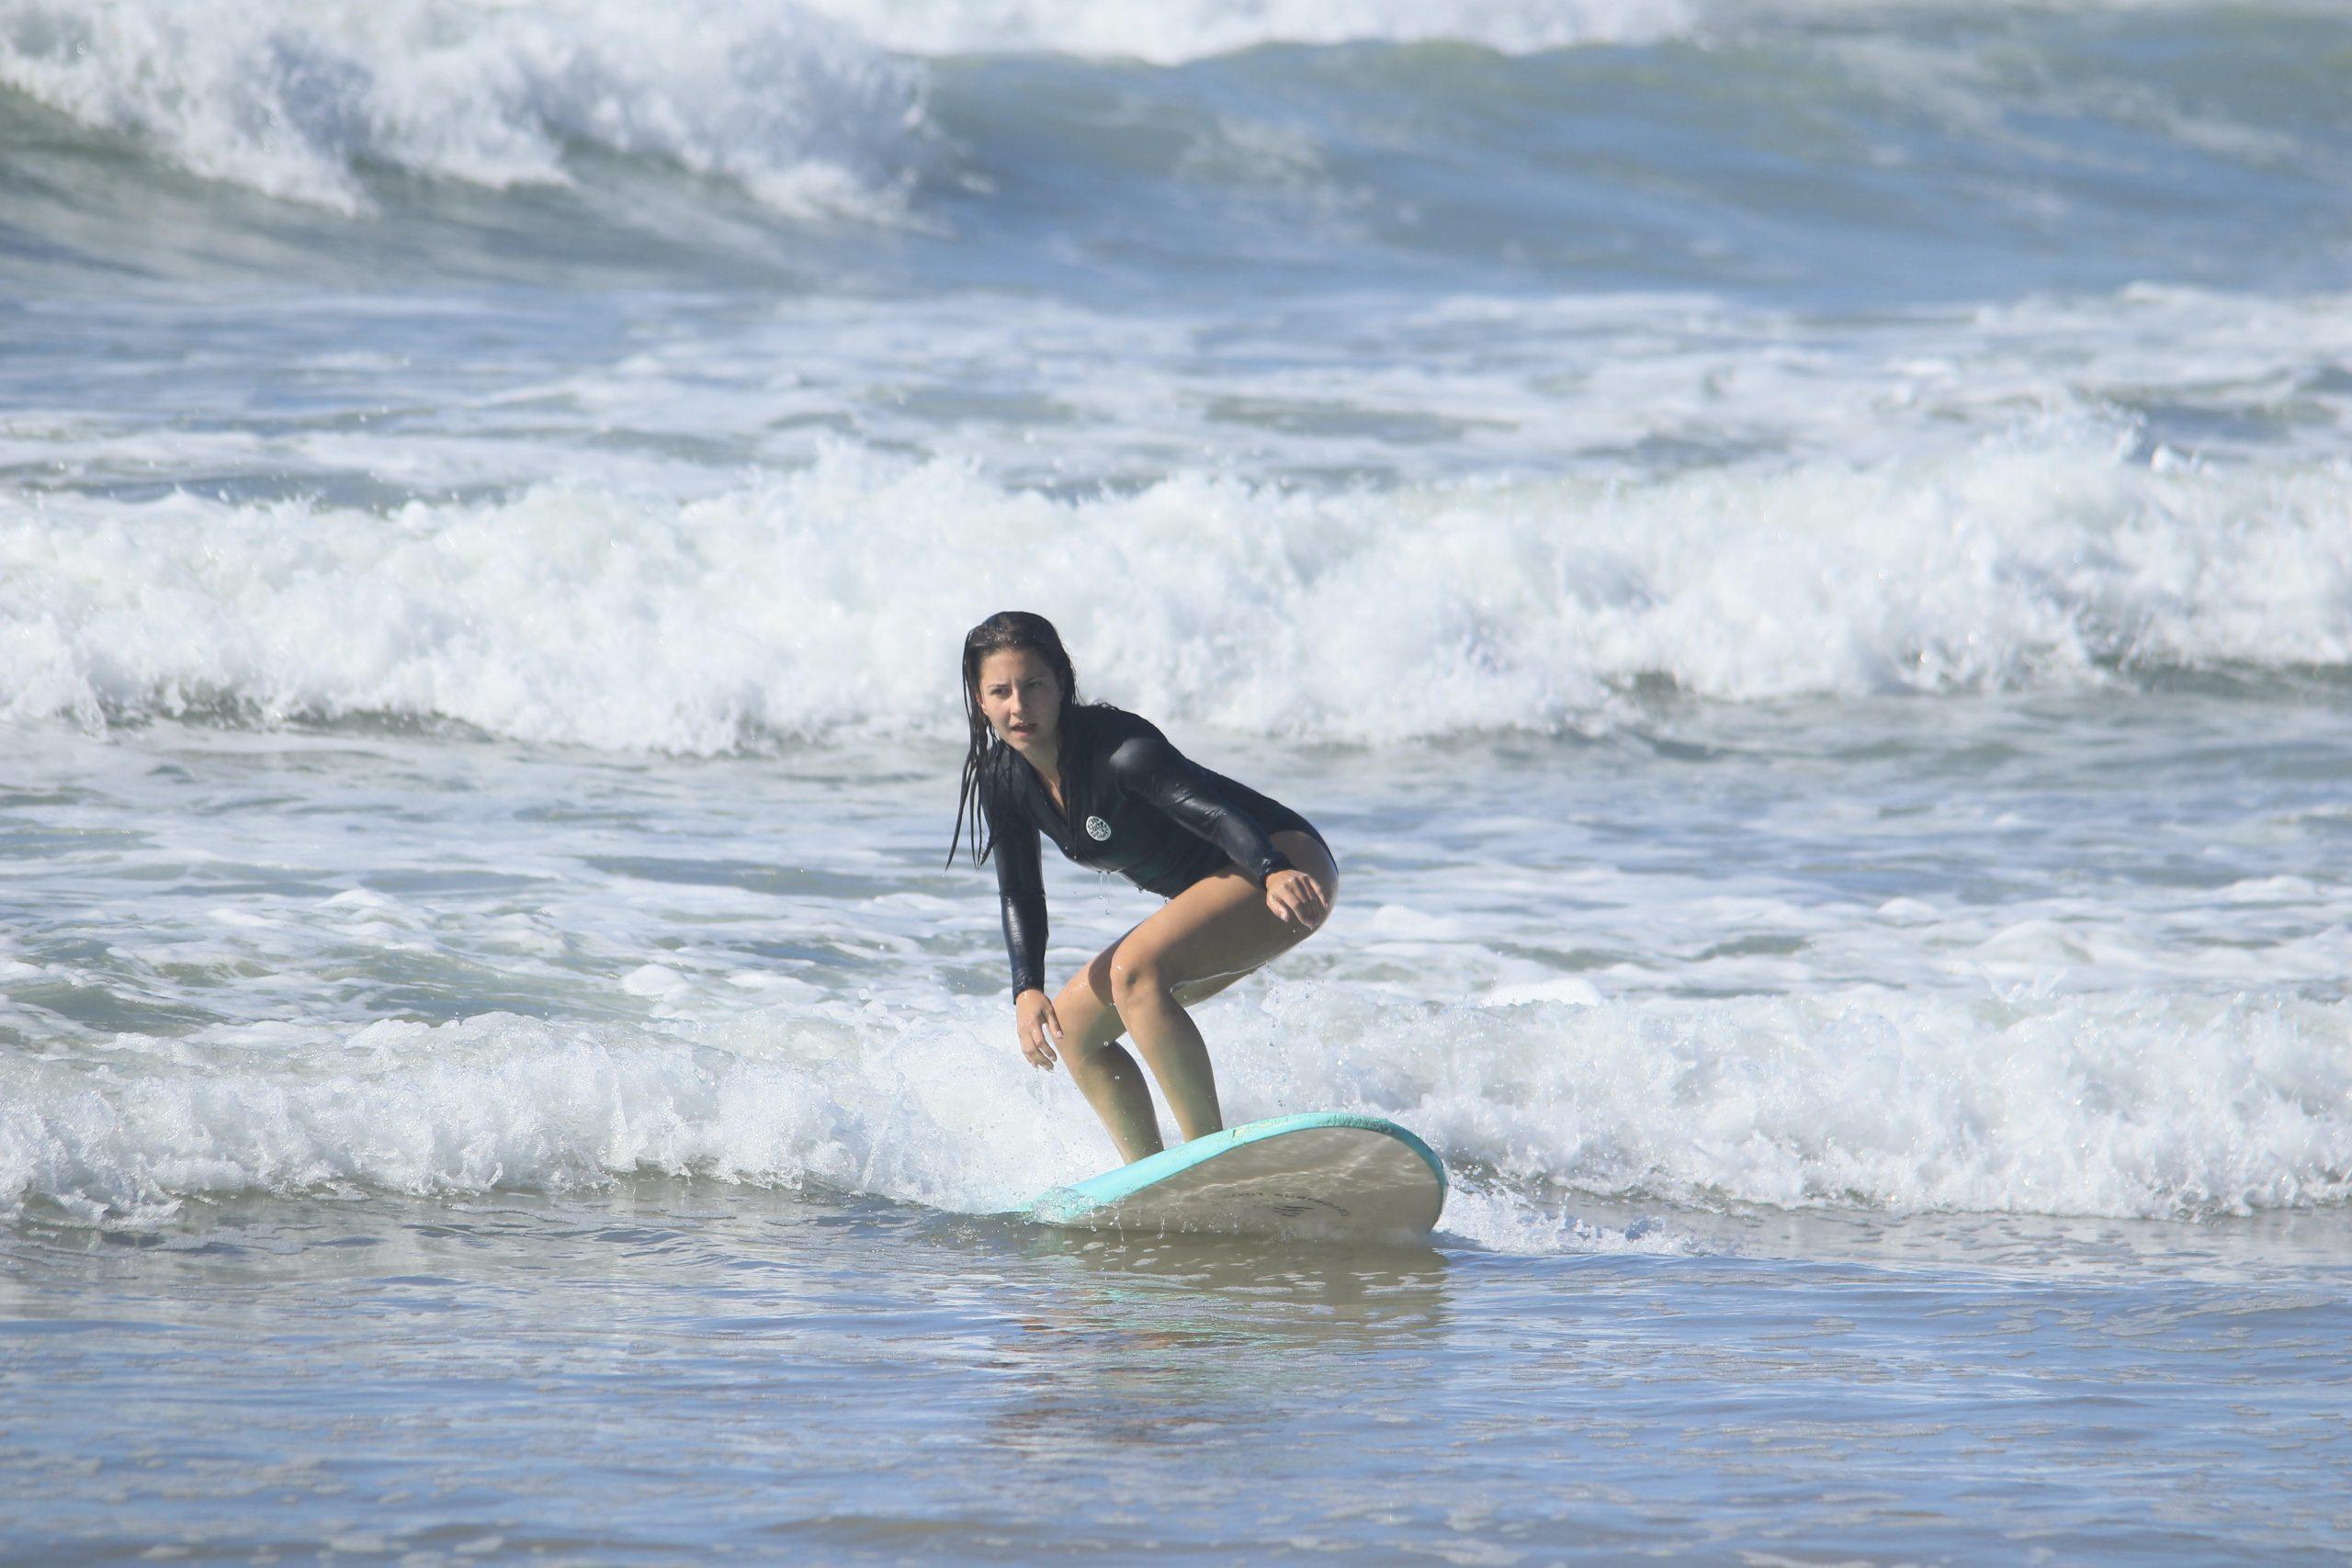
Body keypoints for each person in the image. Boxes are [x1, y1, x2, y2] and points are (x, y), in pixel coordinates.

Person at [948, 611, 1340, 1164]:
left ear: (1062, 683)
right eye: (1001, 690)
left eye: (1034, 685)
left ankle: (1208, 1158)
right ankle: (1152, 1177)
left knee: (1135, 970)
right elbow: (1020, 891)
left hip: (1280, 864)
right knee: (1074, 1028)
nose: (1019, 705)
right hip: (1222, 884)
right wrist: (1025, 986)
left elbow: (1213, 815)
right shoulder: (1005, 779)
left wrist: (1272, 867)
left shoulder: (1121, 751)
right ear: (979, 699)